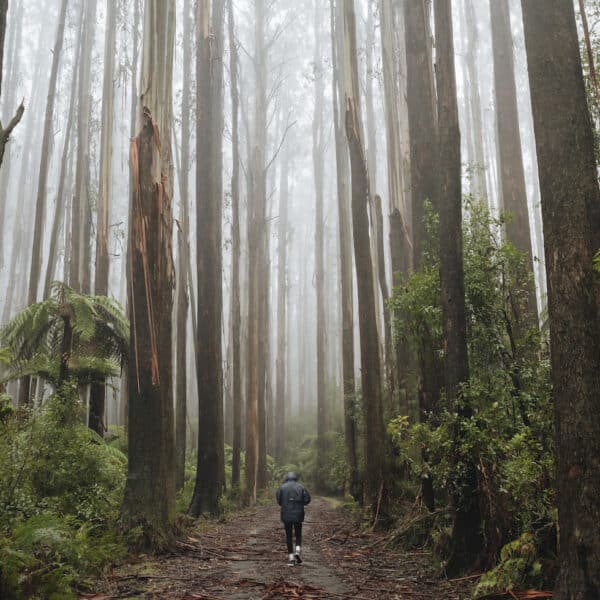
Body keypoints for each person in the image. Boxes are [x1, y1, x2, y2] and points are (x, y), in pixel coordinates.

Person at [276, 472, 311, 566]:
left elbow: (279, 501)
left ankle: (291, 558)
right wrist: (300, 504)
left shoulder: (282, 487)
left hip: (286, 514)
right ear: (296, 478)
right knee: (298, 534)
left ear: (287, 478)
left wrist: (285, 503)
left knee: (289, 536)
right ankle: (298, 551)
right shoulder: (301, 487)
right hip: (298, 514)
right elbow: (307, 499)